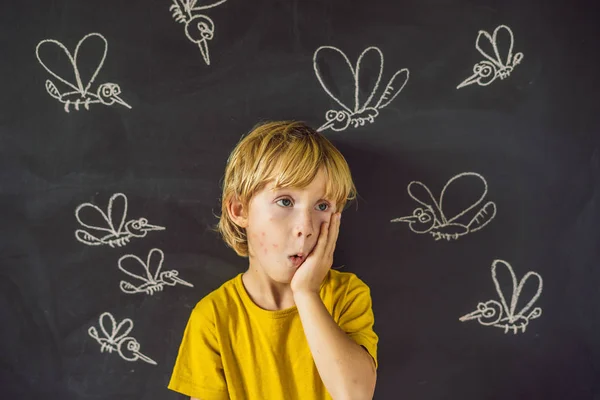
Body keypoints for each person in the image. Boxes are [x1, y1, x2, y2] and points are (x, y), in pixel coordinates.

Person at [168, 121, 378, 400]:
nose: (306, 227)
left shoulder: (347, 295)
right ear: (240, 209)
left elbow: (355, 395)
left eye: (322, 206)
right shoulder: (214, 318)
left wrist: (306, 292)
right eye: (285, 202)